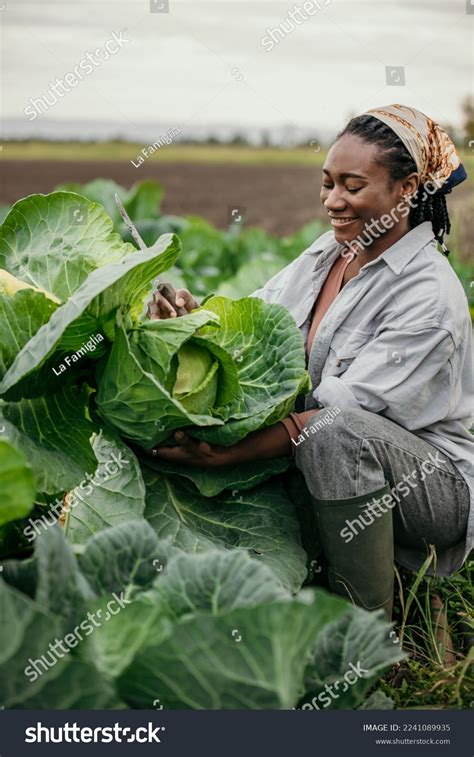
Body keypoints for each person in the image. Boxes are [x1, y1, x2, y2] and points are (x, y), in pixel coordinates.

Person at [146, 104, 473, 618]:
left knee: (334, 432)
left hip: (431, 490)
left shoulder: (429, 295)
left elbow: (335, 415)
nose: (333, 201)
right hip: (332, 454)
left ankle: (368, 635)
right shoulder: (329, 254)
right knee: (315, 432)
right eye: (327, 184)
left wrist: (225, 455)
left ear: (407, 189)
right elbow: (251, 326)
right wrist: (189, 317)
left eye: (352, 185)